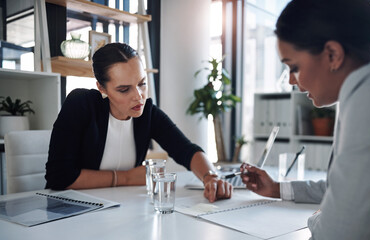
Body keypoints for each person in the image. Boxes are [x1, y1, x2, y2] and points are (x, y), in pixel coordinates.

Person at [240, 0, 370, 239]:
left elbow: (343, 230)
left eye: (294, 67)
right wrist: (277, 189)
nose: (292, 81)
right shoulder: (367, 86)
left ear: (333, 55)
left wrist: (317, 218)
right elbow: (342, 188)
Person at [45, 42, 232, 203]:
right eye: (124, 89)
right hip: (73, 209)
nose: (138, 97)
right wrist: (126, 178)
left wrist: (211, 177)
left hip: (122, 205)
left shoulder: (147, 112)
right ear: (102, 88)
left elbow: (186, 150)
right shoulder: (81, 104)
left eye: (142, 83)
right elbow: (59, 176)